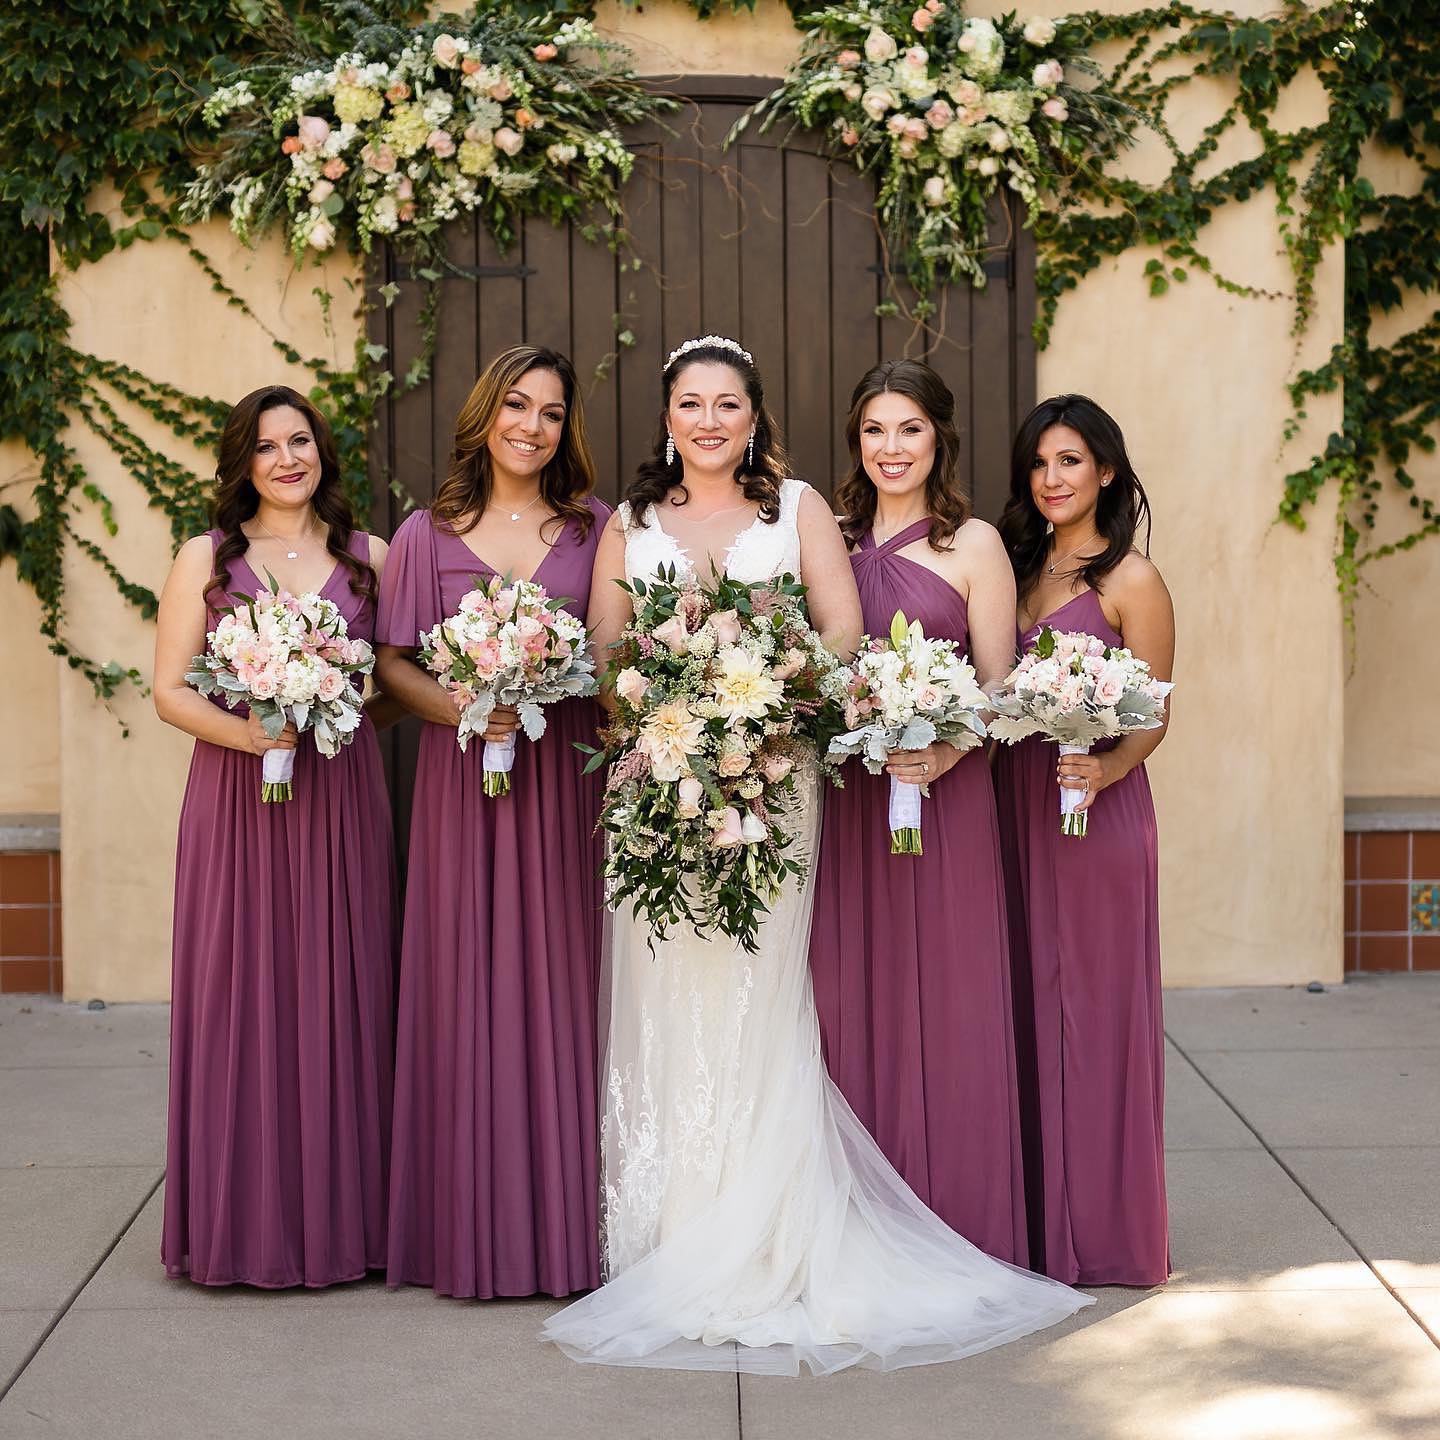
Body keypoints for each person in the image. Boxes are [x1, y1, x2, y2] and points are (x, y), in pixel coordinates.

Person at [542, 337, 1091, 1374]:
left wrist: (755, 684)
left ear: (756, 418)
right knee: (662, 995)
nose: (710, 421)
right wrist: (669, 697)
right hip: (656, 780)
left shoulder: (793, 510)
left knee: (757, 999)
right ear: (669, 416)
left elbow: (840, 637)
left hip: (770, 774)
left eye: (730, 405)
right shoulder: (631, 519)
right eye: (692, 404)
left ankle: (763, 1238)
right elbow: (605, 646)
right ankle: (664, 1243)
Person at [377, 345, 610, 1299]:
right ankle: (463, 1228)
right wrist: (465, 707)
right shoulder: (423, 537)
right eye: (517, 405)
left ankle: (571, 1227)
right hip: (461, 790)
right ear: (486, 413)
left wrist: (555, 687)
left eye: (552, 413)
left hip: (563, 785)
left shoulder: (597, 530)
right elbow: (390, 666)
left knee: (566, 980)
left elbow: (615, 651)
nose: (532, 426)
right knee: (465, 983)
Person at [153, 384, 394, 1287]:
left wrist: (335, 700)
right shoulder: (206, 558)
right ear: (241, 462)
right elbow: (171, 690)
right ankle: (238, 1228)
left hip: (340, 802)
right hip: (235, 803)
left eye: (301, 441)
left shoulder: (367, 557)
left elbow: (390, 683)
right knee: (240, 996)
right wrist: (253, 730)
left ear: (323, 452)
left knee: (344, 991)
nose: (288, 459)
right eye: (267, 446)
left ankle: (346, 1228)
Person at [809, 359, 1027, 1263]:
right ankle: (857, 1210)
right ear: (857, 440)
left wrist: (940, 750)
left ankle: (959, 1212)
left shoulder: (972, 544)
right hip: (854, 803)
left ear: (939, 437)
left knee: (950, 991)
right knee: (848, 988)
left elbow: (1000, 683)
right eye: (874, 430)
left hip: (948, 797)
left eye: (909, 429)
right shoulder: (830, 534)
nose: (891, 448)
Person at [994, 394, 1175, 1287]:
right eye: (1039, 463)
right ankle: (1037, 1224)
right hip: (1019, 809)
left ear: (1105, 470)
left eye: (1070, 461)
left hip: (1097, 810)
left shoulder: (1130, 580)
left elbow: (1155, 714)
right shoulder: (1017, 560)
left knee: (1098, 1017)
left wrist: (1104, 772)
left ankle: (1108, 1235)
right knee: (1026, 1005)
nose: (1052, 479)